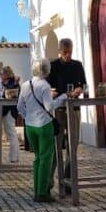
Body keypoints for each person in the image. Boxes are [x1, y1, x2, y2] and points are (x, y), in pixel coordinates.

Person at [17, 58, 68, 202]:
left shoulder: (25, 85)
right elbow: (49, 107)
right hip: (44, 125)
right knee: (46, 159)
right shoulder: (45, 85)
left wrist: (28, 117)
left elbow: (19, 107)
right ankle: (42, 193)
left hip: (30, 126)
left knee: (38, 158)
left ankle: (37, 190)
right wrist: (63, 97)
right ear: (46, 70)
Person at [47, 38, 86, 192]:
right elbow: (48, 88)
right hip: (58, 110)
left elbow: (82, 84)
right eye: (65, 53)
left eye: (70, 52)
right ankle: (49, 182)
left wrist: (79, 90)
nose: (68, 55)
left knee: (73, 146)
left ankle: (69, 182)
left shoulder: (77, 66)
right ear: (59, 51)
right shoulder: (53, 66)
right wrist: (54, 92)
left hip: (74, 108)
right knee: (56, 145)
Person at [0, 66, 21, 164]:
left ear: (6, 74)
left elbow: (9, 95)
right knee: (11, 134)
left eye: (2, 73)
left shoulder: (12, 83)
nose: (1, 75)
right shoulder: (9, 83)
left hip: (9, 110)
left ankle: (14, 157)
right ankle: (14, 156)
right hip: (8, 110)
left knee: (11, 134)